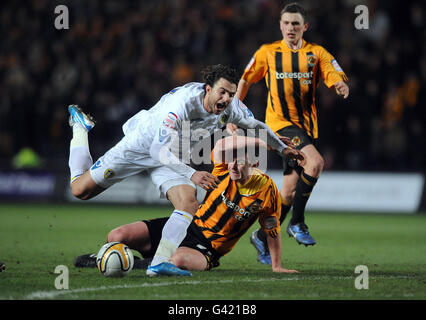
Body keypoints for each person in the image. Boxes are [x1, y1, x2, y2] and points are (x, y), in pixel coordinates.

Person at [67, 64, 305, 276]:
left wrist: (283, 149)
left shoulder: (230, 108)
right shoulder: (180, 105)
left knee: (188, 203)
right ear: (207, 88)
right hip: (142, 147)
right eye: (222, 92)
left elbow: (256, 125)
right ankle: (80, 127)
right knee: (80, 190)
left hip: (173, 156)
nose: (226, 98)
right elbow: (157, 151)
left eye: (231, 94)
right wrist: (193, 173)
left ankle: (158, 262)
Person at [227, 3, 349, 261]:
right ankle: (298, 224)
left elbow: (332, 71)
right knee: (315, 163)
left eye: (296, 23)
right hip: (280, 126)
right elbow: (246, 79)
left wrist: (338, 83)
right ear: (280, 25)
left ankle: (261, 237)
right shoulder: (268, 53)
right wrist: (234, 113)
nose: (290, 28)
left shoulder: (316, 53)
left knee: (289, 193)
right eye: (286, 23)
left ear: (305, 26)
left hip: (306, 128)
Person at [74, 136, 299, 274]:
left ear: (255, 164)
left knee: (177, 260)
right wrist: (266, 142)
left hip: (208, 248)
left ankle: (117, 263)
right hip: (186, 225)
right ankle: (125, 260)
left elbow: (271, 228)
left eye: (241, 162)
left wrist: (276, 266)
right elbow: (222, 145)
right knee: (117, 235)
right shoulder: (223, 170)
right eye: (232, 160)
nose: (234, 166)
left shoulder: (267, 191)